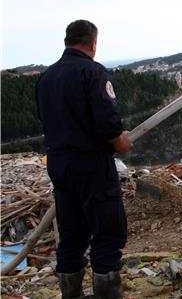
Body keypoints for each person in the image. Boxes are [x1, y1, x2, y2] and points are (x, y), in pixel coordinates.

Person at [36, 20, 133, 299]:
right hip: (90, 164)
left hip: (59, 164)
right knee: (107, 233)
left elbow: (46, 119)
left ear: (67, 41)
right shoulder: (92, 72)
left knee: (71, 234)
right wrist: (120, 140)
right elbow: (106, 122)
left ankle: (72, 295)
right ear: (92, 43)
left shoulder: (46, 78)